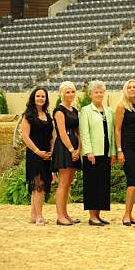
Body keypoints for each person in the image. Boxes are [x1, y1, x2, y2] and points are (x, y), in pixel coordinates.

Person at [79, 81, 116, 226]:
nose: (99, 94)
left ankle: (98, 215)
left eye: (101, 92)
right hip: (92, 154)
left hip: (105, 153)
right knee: (92, 184)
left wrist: (112, 152)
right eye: (96, 92)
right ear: (90, 95)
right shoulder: (85, 111)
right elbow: (84, 132)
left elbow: (112, 133)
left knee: (102, 184)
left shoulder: (109, 111)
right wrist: (88, 151)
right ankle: (92, 216)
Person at [115, 79, 135, 226]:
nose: (132, 89)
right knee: (132, 182)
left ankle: (130, 214)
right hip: (127, 148)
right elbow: (117, 130)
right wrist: (119, 150)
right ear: (125, 90)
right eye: (130, 87)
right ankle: (126, 215)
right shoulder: (122, 107)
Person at [21, 87, 53, 226]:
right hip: (34, 154)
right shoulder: (28, 115)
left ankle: (33, 215)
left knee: (40, 185)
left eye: (43, 96)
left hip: (46, 154)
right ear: (33, 98)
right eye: (38, 96)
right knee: (38, 184)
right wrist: (38, 151)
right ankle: (39, 216)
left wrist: (51, 151)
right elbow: (25, 137)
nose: (41, 98)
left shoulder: (47, 115)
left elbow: (51, 136)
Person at [51, 81, 82, 226]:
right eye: (67, 92)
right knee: (63, 182)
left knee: (69, 182)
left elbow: (78, 131)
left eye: (72, 92)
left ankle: (66, 213)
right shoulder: (59, 110)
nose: (70, 94)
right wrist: (71, 150)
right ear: (62, 93)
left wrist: (79, 149)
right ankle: (59, 216)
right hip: (64, 147)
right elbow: (62, 133)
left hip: (74, 146)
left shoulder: (75, 110)